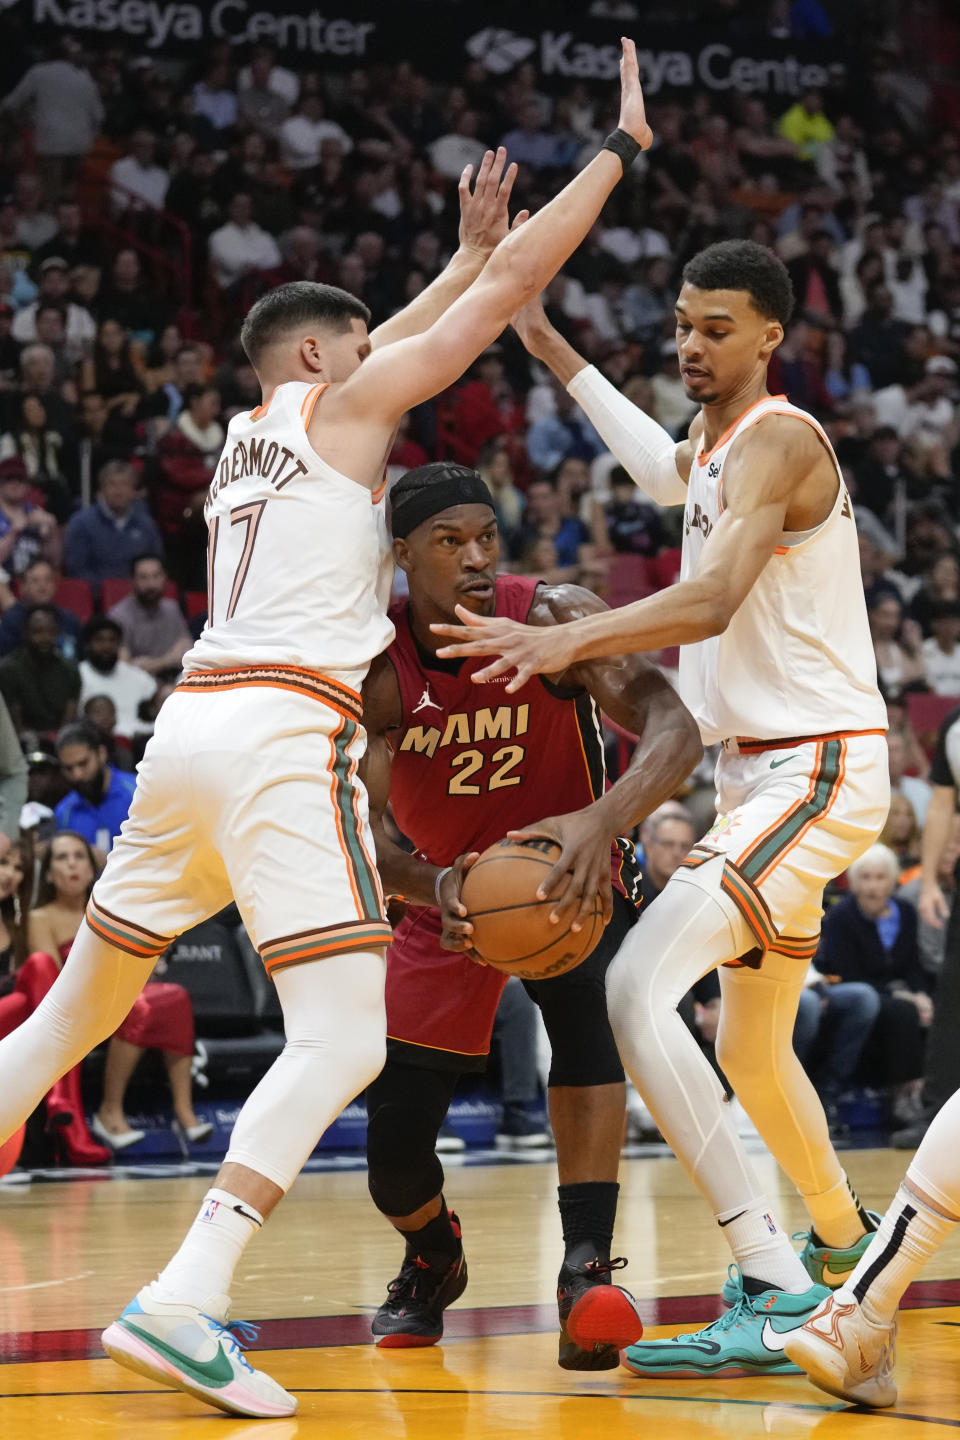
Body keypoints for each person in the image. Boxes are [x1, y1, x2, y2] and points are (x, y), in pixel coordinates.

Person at [0, 52, 656, 1417]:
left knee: (78, 1007)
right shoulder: (340, 407)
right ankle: (184, 1301)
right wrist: (611, 155)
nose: (388, 369)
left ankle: (188, 1292)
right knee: (347, 1036)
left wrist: (451, 265)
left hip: (181, 734)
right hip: (275, 739)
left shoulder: (252, 432)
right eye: (365, 351)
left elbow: (400, 339)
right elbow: (484, 314)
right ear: (320, 359)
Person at [434, 239, 890, 1377]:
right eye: (684, 324)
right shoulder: (713, 446)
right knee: (759, 1048)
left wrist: (568, 635)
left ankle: (773, 1278)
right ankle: (843, 1249)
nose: (692, 344)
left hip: (814, 769)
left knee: (638, 986)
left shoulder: (781, 438)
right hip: (760, 773)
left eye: (718, 327)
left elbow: (714, 597)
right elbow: (661, 474)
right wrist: (547, 345)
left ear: (771, 336)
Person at [360, 462, 699, 1364]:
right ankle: (433, 1255)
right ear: (400, 555)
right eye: (447, 542)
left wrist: (600, 824)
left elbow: (674, 727)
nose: (475, 559)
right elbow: (350, 832)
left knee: (589, 1006)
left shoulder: (553, 617)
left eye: (486, 538)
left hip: (573, 872)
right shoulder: (375, 667)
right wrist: (430, 887)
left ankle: (586, 1267)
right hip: (441, 894)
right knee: (392, 1147)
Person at [62, 461, 164, 592]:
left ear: (134, 491)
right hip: (98, 601)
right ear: (102, 490)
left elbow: (156, 563)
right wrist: (109, 592)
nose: (119, 491)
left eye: (125, 484)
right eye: (112, 484)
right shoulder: (81, 523)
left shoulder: (146, 525)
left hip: (142, 598)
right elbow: (77, 570)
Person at [54, 720, 137, 853]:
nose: (77, 775)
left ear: (101, 754)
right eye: (68, 768)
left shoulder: (138, 792)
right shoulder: (64, 812)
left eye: (83, 763)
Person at [107, 555, 192, 680]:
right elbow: (125, 667)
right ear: (132, 581)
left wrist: (150, 664)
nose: (151, 584)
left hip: (174, 679)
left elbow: (188, 651)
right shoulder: (119, 616)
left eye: (156, 576)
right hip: (138, 683)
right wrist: (167, 660)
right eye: (143, 578)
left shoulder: (172, 609)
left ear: (165, 578)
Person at [0, 604, 80, 733]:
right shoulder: (8, 669)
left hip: (59, 740)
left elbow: (68, 721)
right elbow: (15, 725)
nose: (45, 638)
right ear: (25, 632)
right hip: (22, 740)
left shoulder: (70, 669)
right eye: (38, 632)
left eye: (51, 632)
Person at [78, 617, 157, 746]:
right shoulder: (79, 675)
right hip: (98, 743)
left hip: (142, 742)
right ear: (88, 644)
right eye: (100, 640)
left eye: (112, 640)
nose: (107, 646)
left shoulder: (138, 676)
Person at [0, 558, 82, 660]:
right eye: (35, 581)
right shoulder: (11, 621)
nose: (42, 586)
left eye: (48, 580)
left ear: (55, 585)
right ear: (22, 587)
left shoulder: (69, 619)